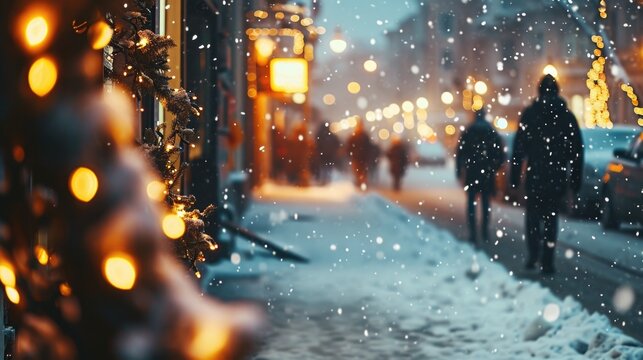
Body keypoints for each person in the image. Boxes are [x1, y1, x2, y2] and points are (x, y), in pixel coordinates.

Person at [511, 74, 584, 275]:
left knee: (533, 217)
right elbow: (576, 151)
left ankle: (534, 254)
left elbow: (518, 148)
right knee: (551, 218)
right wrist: (575, 180)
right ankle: (547, 259)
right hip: (556, 175)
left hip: (535, 174)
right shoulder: (567, 117)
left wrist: (515, 177)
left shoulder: (530, 114)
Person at [456, 109, 504, 243]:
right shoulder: (491, 131)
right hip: (487, 173)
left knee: (471, 203)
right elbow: (499, 153)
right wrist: (494, 167)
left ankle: (473, 232)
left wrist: (460, 170)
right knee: (485, 202)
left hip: (472, 172)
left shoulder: (469, 131)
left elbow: (460, 152)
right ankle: (484, 230)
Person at [347, 120, 373, 188]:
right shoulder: (363, 135)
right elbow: (369, 147)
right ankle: (361, 184)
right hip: (360, 158)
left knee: (360, 172)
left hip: (360, 157)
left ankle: (360, 184)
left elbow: (349, 147)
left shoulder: (356, 135)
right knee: (360, 172)